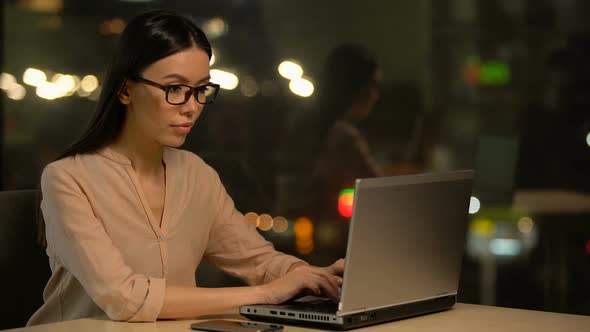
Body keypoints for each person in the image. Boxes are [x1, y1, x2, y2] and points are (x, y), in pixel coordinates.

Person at [28, 10, 343, 326]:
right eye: (175, 89)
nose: (192, 106)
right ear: (125, 91)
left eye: (201, 89)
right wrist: (266, 294)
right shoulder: (68, 177)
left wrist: (311, 276)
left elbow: (258, 260)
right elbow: (124, 298)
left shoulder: (196, 174)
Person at [278, 44, 383, 221]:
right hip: (326, 235)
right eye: (373, 85)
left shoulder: (302, 124)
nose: (376, 95)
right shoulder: (343, 136)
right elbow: (379, 190)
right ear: (355, 86)